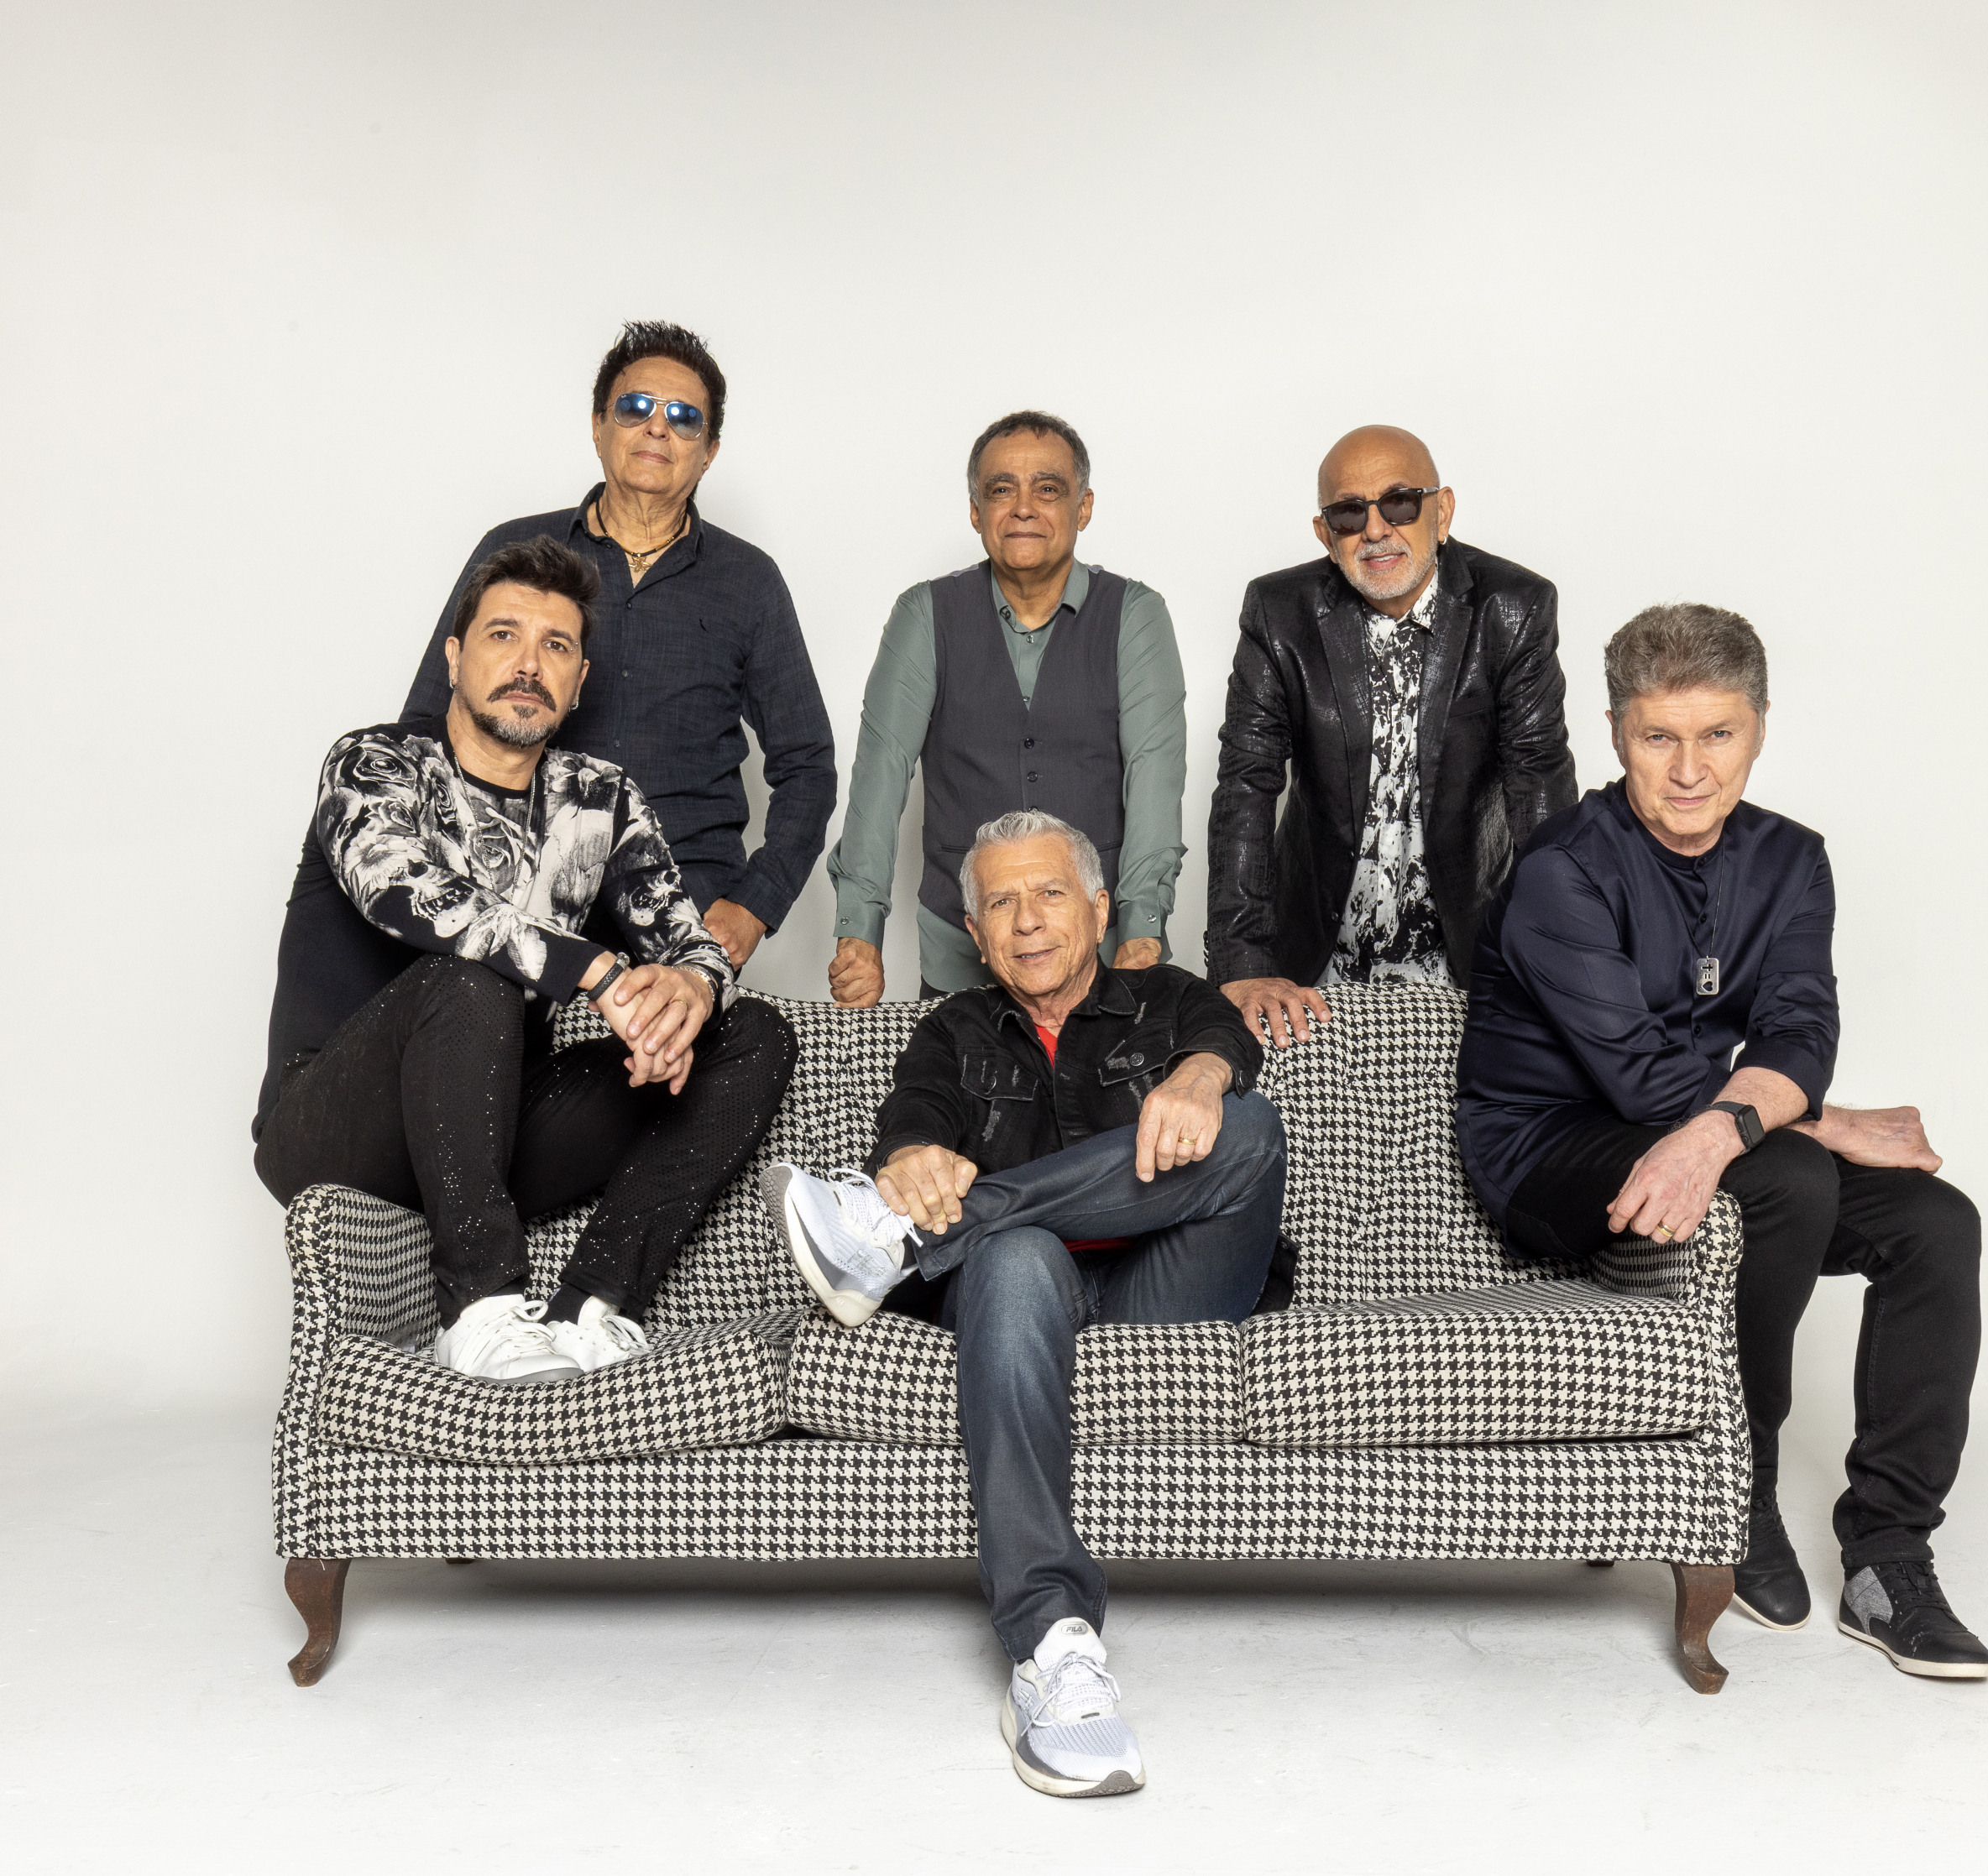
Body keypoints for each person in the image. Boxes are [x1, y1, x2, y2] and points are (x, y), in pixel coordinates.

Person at [1455, 603, 1988, 1679]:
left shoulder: (1792, 860)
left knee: (1936, 1223)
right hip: (1548, 1154)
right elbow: (1638, 1074)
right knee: (1785, 1172)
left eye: (1718, 734)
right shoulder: (1561, 868)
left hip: (1720, 1137)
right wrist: (1812, 1119)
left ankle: (1888, 1554)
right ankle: (1735, 1487)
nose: (1690, 769)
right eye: (1659, 736)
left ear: (1760, 727)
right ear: (1616, 732)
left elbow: (1800, 1030)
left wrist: (1727, 1129)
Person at [766, 811, 1281, 1795]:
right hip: (1023, 1304)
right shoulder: (952, 1029)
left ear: (1097, 908)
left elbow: (1224, 1039)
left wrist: (1201, 1077)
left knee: (1247, 1126)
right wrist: (908, 1163)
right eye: (1001, 902)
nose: (1028, 920)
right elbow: (915, 1115)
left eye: (1049, 893)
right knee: (1012, 1256)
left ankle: (886, 1238)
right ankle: (1051, 1648)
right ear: (975, 931)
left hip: (1163, 1286)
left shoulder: (1168, 998)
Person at [258, 537, 797, 1382]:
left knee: (752, 1030)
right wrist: (600, 973)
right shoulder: (376, 764)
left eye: (557, 645)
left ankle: (592, 1308)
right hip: (336, 1127)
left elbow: (686, 936)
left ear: (580, 681)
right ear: (454, 657)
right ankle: (479, 1308)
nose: (529, 665)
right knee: (472, 976)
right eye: (504, 635)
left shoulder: (599, 798)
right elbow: (404, 892)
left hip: (495, 1124)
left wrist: (688, 990)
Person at [401, 320, 837, 975]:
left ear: (710, 451)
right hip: (517, 897)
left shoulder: (749, 582)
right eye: (635, 407)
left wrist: (756, 902)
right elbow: (424, 730)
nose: (658, 428)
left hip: (682, 910)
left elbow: (807, 764)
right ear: (598, 426)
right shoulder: (514, 554)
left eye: (684, 418)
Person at [1206, 423, 1575, 1045]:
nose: (1376, 529)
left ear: (1442, 511)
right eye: (1350, 513)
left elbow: (1539, 789)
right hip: (1312, 967)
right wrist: (1243, 967)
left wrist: (1558, 961)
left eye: (1400, 502)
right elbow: (1246, 786)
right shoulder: (1280, 613)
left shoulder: (1513, 607)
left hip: (1469, 960)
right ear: (1326, 535)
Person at [825, 410, 1186, 1002]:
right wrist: (858, 934)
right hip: (960, 946)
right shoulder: (925, 614)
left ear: (1084, 507)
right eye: (1000, 490)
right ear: (976, 511)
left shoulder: (1134, 615)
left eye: (1048, 489)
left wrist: (1142, 929)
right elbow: (880, 776)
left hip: (1102, 952)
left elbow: (1155, 777)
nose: (1023, 508)